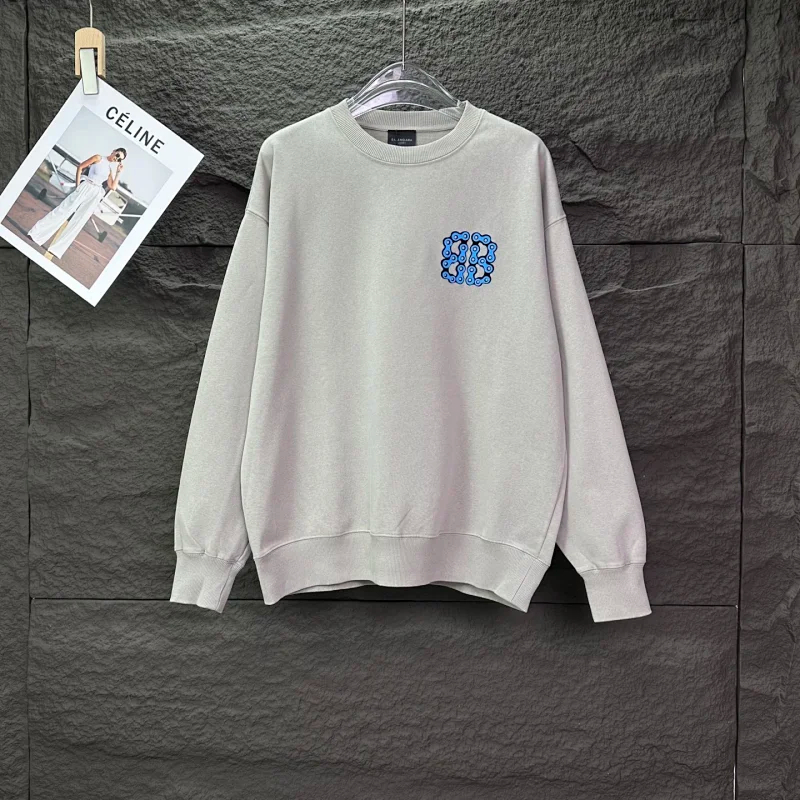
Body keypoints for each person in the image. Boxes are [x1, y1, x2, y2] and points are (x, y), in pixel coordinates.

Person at [26, 147, 127, 259]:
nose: (117, 158)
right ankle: (35, 234)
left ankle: (57, 249)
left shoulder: (110, 170)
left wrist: (118, 172)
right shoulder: (98, 158)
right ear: (113, 151)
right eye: (117, 155)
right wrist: (78, 185)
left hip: (95, 193)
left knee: (79, 221)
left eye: (119, 159)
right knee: (62, 210)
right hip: (85, 186)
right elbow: (80, 167)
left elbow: (113, 187)